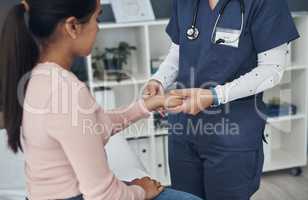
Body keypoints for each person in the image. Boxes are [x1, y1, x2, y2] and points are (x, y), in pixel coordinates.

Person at [0, 0, 203, 200]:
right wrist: (141, 191)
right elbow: (104, 195)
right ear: (72, 27)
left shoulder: (39, 77)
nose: (97, 28)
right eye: (97, 18)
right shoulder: (65, 90)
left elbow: (92, 126)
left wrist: (148, 105)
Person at [144, 0, 299, 199]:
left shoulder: (265, 3)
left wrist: (215, 96)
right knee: (184, 196)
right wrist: (159, 79)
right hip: (185, 127)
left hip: (233, 131)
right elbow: (178, 49)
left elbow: (272, 69)